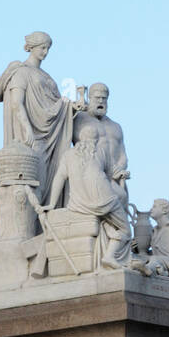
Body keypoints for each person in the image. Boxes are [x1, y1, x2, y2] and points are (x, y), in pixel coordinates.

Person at [43, 84, 132, 270]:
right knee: (120, 221)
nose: (100, 101)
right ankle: (107, 258)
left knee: (120, 207)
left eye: (104, 98)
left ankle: (113, 256)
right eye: (97, 98)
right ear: (90, 98)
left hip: (114, 176)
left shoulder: (115, 127)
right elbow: (61, 129)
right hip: (88, 179)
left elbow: (122, 154)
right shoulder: (79, 119)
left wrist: (120, 169)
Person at [0, 32, 82, 203]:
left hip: (51, 137)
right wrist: (27, 131)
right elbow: (17, 104)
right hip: (32, 137)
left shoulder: (46, 76)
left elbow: (54, 107)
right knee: (36, 184)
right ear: (31, 47)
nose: (45, 52)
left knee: (55, 178)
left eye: (48, 48)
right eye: (42, 47)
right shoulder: (21, 72)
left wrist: (70, 106)